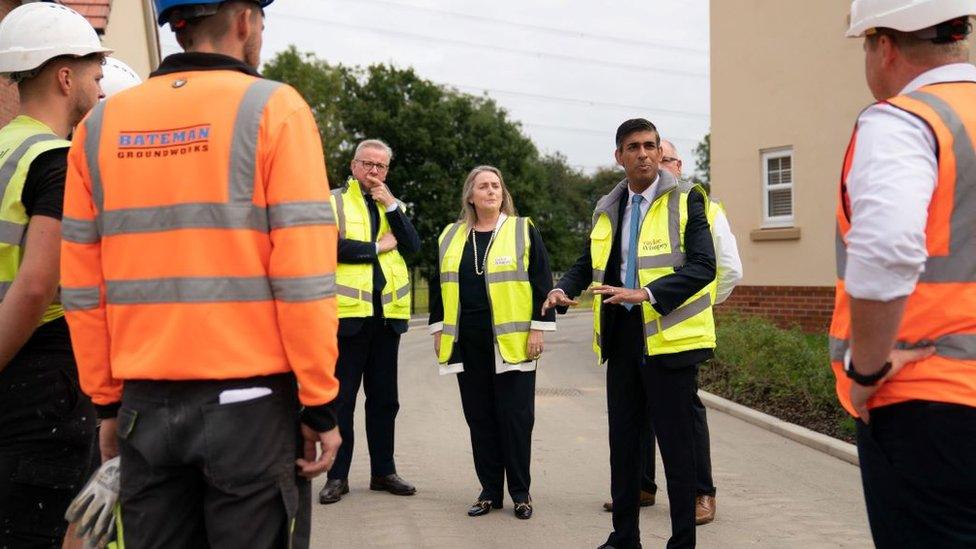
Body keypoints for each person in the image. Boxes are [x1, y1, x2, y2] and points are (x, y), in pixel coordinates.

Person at [60, 1, 341, 546]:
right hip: (252, 411)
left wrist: (107, 404)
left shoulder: (99, 126)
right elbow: (304, 279)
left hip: (145, 404)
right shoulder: (275, 110)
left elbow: (82, 289)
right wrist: (319, 404)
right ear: (243, 21)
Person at [832, 1, 976, 546]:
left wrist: (865, 372)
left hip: (932, 403)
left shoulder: (904, 120)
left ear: (884, 45)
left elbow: (887, 245)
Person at [543, 118, 716, 549]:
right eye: (633, 147)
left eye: (650, 146)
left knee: (677, 452)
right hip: (621, 338)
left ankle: (681, 542)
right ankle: (624, 537)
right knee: (623, 444)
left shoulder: (688, 198)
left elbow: (703, 266)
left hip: (669, 341)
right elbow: (589, 261)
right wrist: (564, 287)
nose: (643, 154)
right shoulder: (608, 206)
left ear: (660, 152)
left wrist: (647, 293)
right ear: (618, 156)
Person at [0, 3, 109, 546]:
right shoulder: (56, 160)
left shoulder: (4, 147)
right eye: (94, 73)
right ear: (65, 78)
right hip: (37, 377)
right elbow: (39, 284)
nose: (99, 84)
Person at [602, 139, 742, 525]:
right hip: (636, 331)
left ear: (678, 165)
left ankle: (702, 493)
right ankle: (643, 485)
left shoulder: (702, 207)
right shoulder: (633, 208)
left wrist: (701, 306)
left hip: (680, 334)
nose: (656, 163)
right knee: (638, 414)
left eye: (665, 158)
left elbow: (728, 270)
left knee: (686, 418)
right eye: (651, 157)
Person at [428, 165, 555, 520]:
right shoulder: (450, 236)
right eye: (483, 186)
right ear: (470, 195)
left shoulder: (522, 229)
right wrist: (438, 330)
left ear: (503, 193)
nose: (491, 191)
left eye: (496, 185)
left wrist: (539, 328)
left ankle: (520, 492)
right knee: (480, 417)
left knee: (515, 419)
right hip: (467, 341)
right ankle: (488, 491)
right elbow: (441, 286)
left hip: (512, 341)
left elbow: (542, 281)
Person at [319, 139, 421, 504]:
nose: (374, 171)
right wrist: (377, 248)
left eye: (381, 166)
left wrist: (391, 205)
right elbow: (326, 246)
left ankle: (383, 471)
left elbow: (412, 246)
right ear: (354, 166)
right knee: (342, 400)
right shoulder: (333, 201)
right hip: (348, 318)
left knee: (384, 400)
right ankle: (337, 476)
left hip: (386, 319)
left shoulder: (393, 204)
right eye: (368, 164)